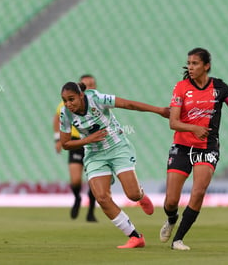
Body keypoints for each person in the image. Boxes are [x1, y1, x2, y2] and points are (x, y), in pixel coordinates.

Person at [160, 47, 228, 250]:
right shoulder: (181, 87)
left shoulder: (219, 88)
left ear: (206, 66)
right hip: (182, 146)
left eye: (195, 63)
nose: (190, 67)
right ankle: (172, 219)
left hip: (207, 148)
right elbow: (173, 122)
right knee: (171, 200)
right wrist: (193, 128)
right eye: (189, 63)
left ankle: (178, 240)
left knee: (198, 192)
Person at [59, 81, 169, 248]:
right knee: (102, 197)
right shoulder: (65, 114)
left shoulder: (96, 98)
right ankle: (135, 237)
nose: (68, 104)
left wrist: (159, 110)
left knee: (131, 194)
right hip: (94, 154)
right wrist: (88, 140)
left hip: (118, 148)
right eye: (65, 100)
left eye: (71, 99)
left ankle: (140, 196)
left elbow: (128, 104)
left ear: (81, 95)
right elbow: (65, 144)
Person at [53, 74, 98, 222]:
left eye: (92, 84)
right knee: (76, 180)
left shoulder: (96, 102)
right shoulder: (68, 103)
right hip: (76, 142)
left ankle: (91, 212)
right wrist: (58, 139)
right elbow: (57, 117)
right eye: (86, 84)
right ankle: (77, 197)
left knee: (94, 180)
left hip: (94, 143)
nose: (90, 87)